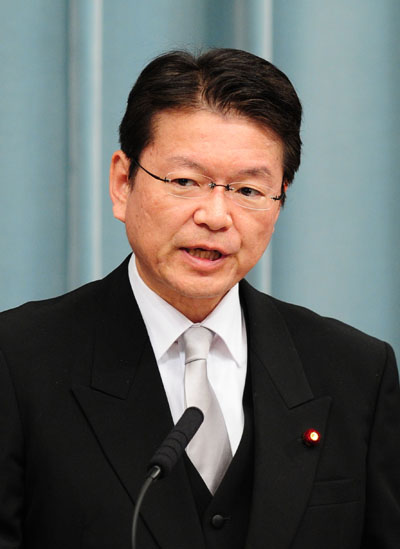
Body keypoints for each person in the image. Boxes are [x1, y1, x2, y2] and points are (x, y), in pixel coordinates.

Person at [0, 49, 399, 549]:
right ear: (123, 183)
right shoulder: (17, 361)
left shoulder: (357, 372)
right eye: (185, 182)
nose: (215, 215)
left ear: (280, 203)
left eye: (249, 190)